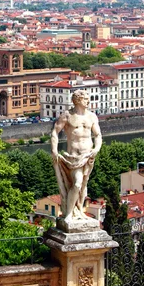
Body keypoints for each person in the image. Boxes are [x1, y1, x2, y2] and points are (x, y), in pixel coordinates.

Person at [51, 90, 102, 221]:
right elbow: (55, 132)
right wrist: (54, 151)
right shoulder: (68, 116)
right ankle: (68, 214)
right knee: (78, 183)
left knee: (84, 186)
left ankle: (78, 210)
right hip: (73, 157)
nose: (88, 101)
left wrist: (96, 148)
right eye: (85, 98)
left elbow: (97, 135)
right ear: (78, 100)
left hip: (88, 156)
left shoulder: (92, 116)